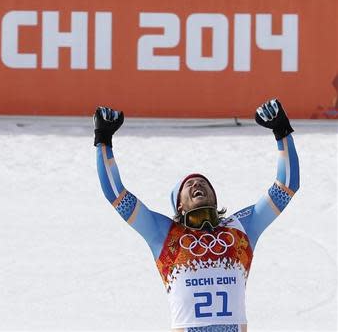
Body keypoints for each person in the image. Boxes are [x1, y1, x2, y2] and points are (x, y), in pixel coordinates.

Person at [94, 99, 300, 332]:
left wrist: (282, 131)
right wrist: (103, 141)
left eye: (203, 183)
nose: (197, 185)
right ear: (179, 205)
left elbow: (286, 187)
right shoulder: (164, 233)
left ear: (214, 198)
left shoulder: (240, 227)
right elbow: (117, 196)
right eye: (189, 184)